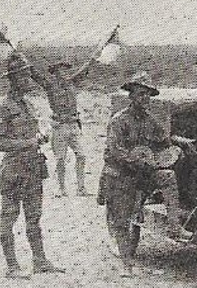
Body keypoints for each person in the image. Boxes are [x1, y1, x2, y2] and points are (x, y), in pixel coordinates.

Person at [0, 54, 64, 278]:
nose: (28, 81)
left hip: (33, 168)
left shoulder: (29, 105)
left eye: (28, 76)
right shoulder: (2, 108)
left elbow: (36, 131)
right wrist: (29, 142)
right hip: (13, 170)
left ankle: (40, 261)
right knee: (9, 217)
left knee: (34, 217)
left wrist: (42, 135)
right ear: (13, 80)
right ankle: (12, 266)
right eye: (23, 77)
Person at [102, 71, 183, 276]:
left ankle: (174, 226)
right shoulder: (119, 120)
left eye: (147, 94)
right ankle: (126, 264)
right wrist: (136, 159)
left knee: (168, 176)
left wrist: (176, 148)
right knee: (122, 218)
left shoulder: (150, 120)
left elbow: (164, 141)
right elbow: (114, 150)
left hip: (143, 172)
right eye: (139, 94)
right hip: (121, 173)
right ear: (131, 96)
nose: (144, 98)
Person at [31, 56, 97, 196]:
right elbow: (34, 74)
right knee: (60, 159)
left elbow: (86, 68)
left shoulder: (72, 83)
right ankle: (61, 189)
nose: (65, 72)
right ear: (55, 72)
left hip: (73, 125)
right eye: (62, 69)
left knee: (81, 156)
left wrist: (101, 50)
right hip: (59, 126)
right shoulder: (49, 85)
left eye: (66, 69)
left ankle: (81, 188)